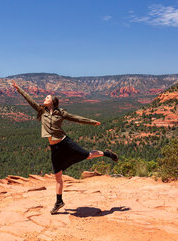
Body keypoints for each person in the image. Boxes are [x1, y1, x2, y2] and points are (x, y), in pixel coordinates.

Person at [11, 80, 118, 214]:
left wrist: (92, 122)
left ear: (53, 102)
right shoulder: (41, 111)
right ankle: (59, 201)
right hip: (54, 148)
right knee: (58, 176)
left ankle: (107, 154)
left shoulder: (60, 113)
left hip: (65, 143)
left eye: (47, 98)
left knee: (88, 155)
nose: (45, 98)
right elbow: (30, 100)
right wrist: (18, 88)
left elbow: (75, 118)